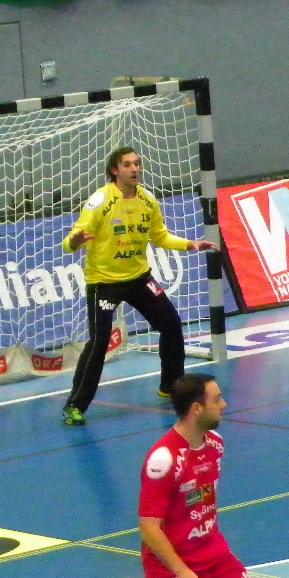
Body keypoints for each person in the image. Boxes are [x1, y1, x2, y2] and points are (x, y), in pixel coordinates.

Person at [96, 374, 282, 578]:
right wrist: (183, 572)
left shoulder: (215, 444)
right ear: (196, 408)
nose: (224, 404)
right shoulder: (164, 460)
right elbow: (149, 527)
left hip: (213, 552)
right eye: (217, 399)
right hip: (172, 565)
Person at [61, 148, 218, 425]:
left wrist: (190, 244)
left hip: (139, 278)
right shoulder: (100, 201)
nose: (134, 169)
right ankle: (75, 405)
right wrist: (74, 241)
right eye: (127, 165)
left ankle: (171, 385)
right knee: (99, 342)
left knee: (171, 324)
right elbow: (70, 241)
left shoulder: (147, 200)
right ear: (115, 170)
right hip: (104, 283)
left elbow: (160, 237)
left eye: (137, 164)